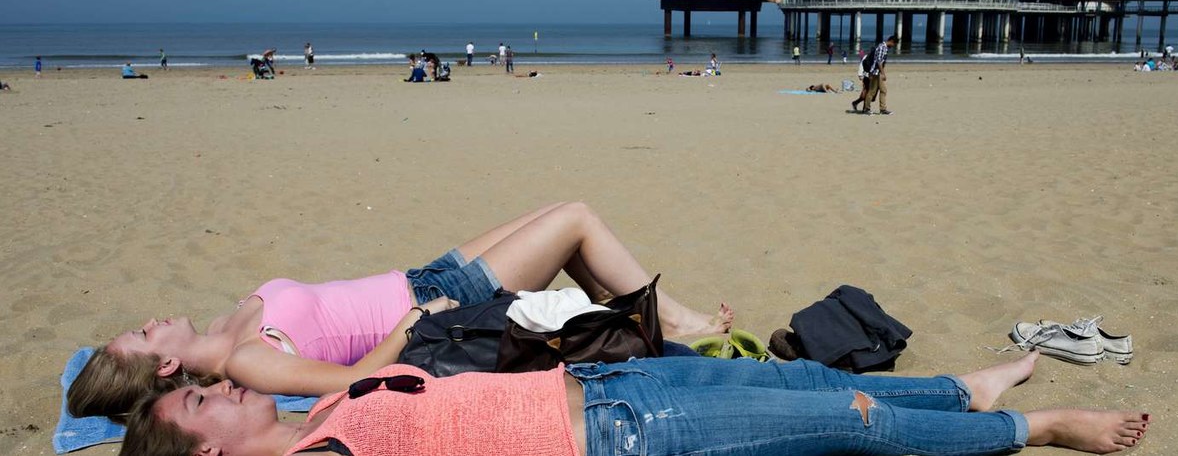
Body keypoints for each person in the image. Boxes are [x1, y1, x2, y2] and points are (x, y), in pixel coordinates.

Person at [66, 202, 733, 419]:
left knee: (559, 220)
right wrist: (409, 326)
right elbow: (353, 383)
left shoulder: (222, 329)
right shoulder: (250, 361)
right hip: (439, 304)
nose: (151, 318)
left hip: (420, 275)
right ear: (167, 365)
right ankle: (671, 323)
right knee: (575, 220)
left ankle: (638, 322)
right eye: (143, 335)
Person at [121, 351, 1151, 456]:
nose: (212, 385)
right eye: (196, 404)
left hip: (616, 384)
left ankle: (962, 386)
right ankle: (1039, 426)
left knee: (805, 380)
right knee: (847, 421)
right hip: (627, 435)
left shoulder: (316, 414)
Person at [864, 34, 896, 115]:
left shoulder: (883, 47)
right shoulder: (882, 47)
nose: (893, 46)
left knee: (883, 90)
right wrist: (883, 73)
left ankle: (883, 109)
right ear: (891, 41)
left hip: (878, 72)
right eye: (894, 44)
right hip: (875, 72)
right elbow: (879, 62)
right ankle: (866, 109)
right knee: (872, 91)